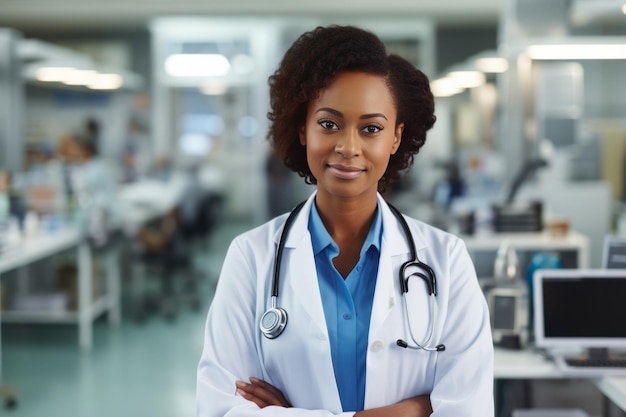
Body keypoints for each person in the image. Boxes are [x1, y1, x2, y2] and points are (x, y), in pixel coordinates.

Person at [196, 25, 493, 416]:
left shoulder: (447, 260)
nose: (348, 147)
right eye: (329, 124)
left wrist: (289, 413)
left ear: (396, 138)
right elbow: (220, 409)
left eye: (371, 129)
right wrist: (416, 410)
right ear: (302, 128)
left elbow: (468, 410)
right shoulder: (251, 257)